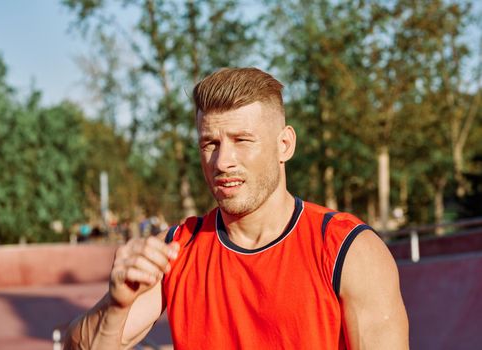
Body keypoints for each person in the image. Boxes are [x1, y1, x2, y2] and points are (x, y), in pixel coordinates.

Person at [64, 68, 409, 349]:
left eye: (242, 140)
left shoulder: (348, 250)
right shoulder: (176, 250)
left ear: (284, 144)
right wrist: (117, 305)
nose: (223, 161)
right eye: (209, 143)